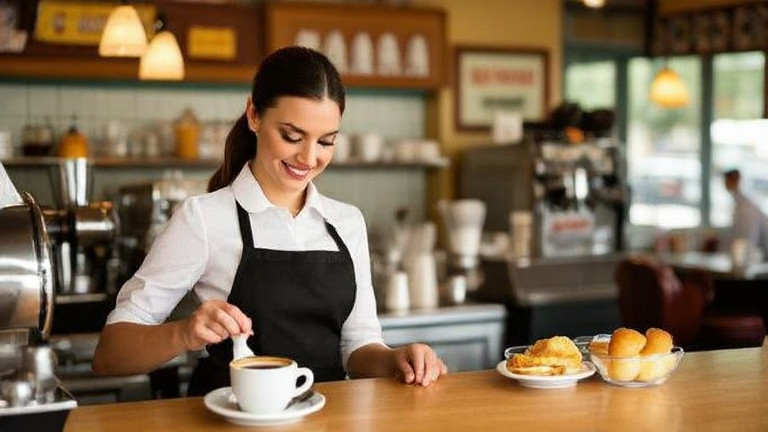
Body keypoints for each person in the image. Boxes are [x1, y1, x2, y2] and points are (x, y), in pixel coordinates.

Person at [93, 46, 447, 396]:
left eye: (326, 141)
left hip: (327, 421)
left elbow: (357, 347)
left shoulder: (347, 222)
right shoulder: (203, 218)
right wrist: (184, 333)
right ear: (254, 115)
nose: (309, 158)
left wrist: (396, 360)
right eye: (292, 136)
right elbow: (110, 354)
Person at [723, 168, 768, 259]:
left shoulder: (747, 207)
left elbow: (748, 240)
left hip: (755, 255)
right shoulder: (739, 204)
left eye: (727, 181)